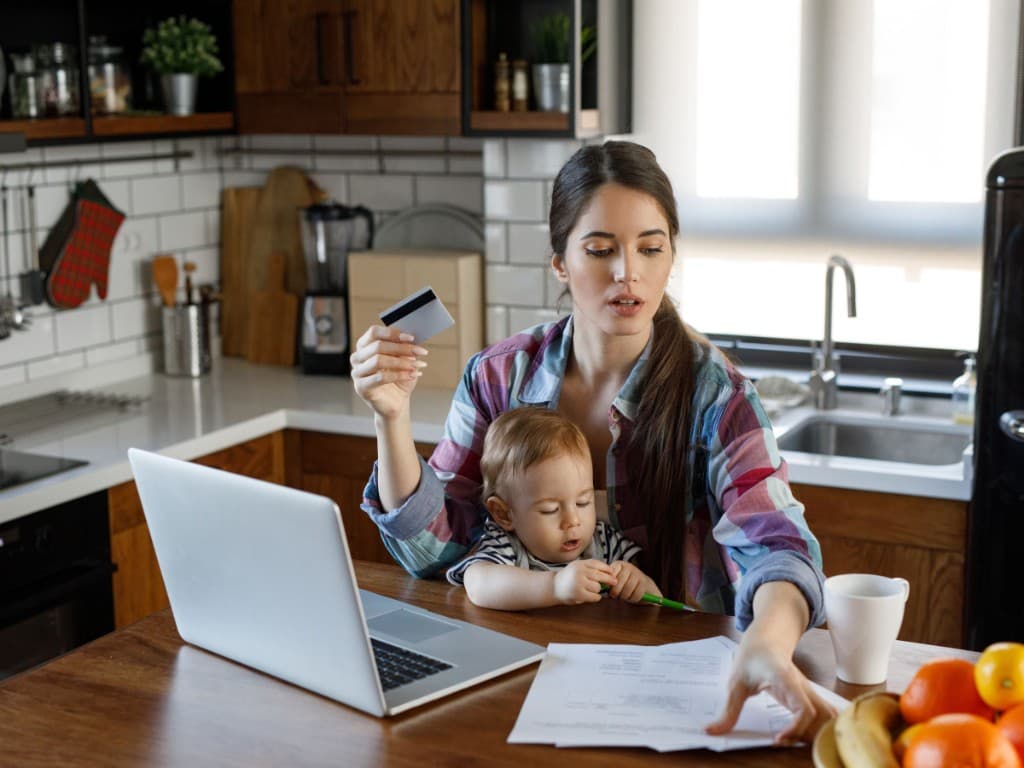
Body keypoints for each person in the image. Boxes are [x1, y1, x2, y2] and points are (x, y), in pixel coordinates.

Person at [350, 140, 834, 743]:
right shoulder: (500, 376)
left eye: (650, 249)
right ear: (560, 263)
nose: (627, 273)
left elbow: (779, 549)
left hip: (674, 693)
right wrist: (389, 419)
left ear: (670, 257)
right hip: (521, 674)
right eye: (601, 250)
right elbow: (439, 551)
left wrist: (767, 642)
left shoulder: (719, 396)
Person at [445, 407, 661, 610]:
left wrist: (639, 585)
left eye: (583, 502)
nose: (573, 520)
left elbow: (655, 601)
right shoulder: (507, 544)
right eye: (550, 509)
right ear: (504, 513)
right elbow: (477, 584)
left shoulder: (603, 541)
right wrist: (555, 586)